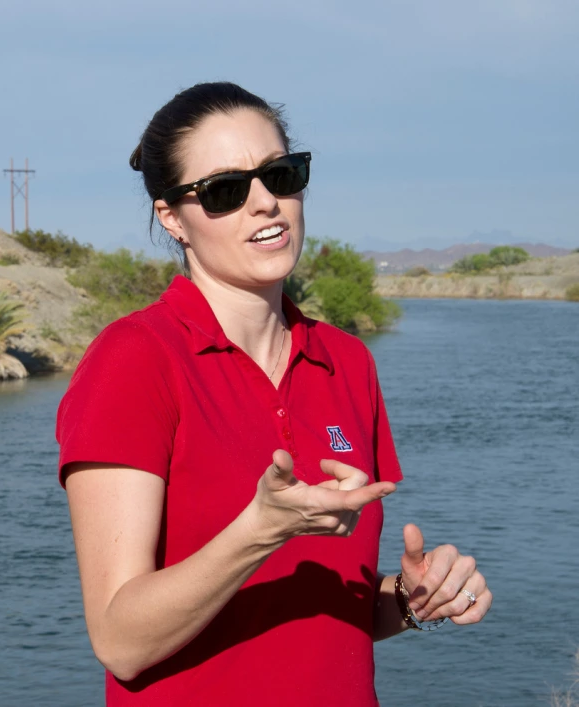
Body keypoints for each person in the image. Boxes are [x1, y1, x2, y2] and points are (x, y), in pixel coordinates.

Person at [55, 82, 491, 706]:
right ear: (172, 217)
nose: (266, 204)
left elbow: (330, 607)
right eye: (225, 191)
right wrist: (259, 530)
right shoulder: (135, 360)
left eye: (281, 176)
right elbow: (122, 640)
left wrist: (412, 600)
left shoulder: (347, 361)